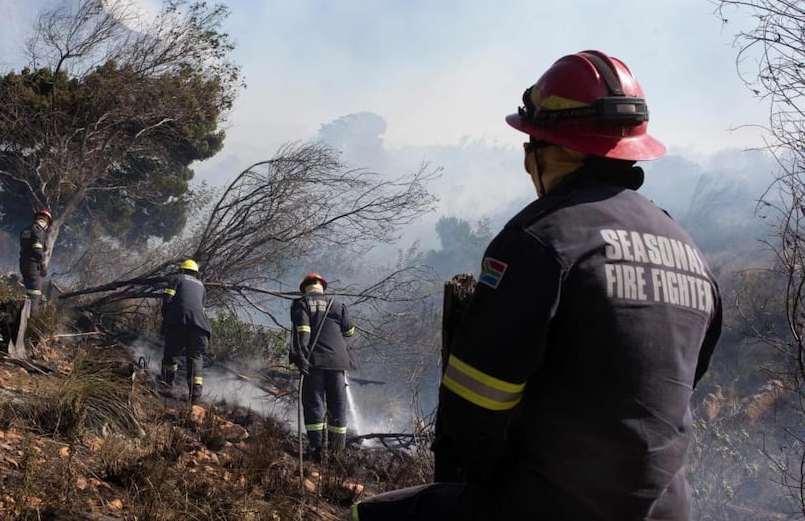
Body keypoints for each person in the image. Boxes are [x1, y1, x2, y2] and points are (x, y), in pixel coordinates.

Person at [352, 50, 723, 520]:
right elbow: (681, 381)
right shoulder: (689, 252)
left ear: (556, 148)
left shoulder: (540, 240)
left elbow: (472, 415)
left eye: (532, 144)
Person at [290, 272, 357, 462]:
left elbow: (303, 332)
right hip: (338, 363)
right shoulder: (337, 304)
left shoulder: (301, 304)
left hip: (314, 362)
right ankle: (337, 452)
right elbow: (349, 331)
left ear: (305, 288)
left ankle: (318, 450)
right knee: (337, 405)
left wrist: (301, 356)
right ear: (322, 287)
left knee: (314, 404)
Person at [160, 259, 212, 403]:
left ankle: (166, 384)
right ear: (196, 273)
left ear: (182, 270)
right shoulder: (202, 286)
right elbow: (201, 309)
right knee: (195, 358)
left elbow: (167, 300)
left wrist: (166, 319)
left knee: (171, 354)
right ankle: (195, 396)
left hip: (178, 322)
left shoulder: (176, 279)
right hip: (200, 327)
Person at [19, 209, 52, 312]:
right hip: (33, 265)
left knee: (28, 290)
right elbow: (37, 249)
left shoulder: (26, 230)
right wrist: (42, 265)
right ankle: (30, 317)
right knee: (35, 292)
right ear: (46, 221)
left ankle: (23, 314)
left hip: (23, 263)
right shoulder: (39, 231)